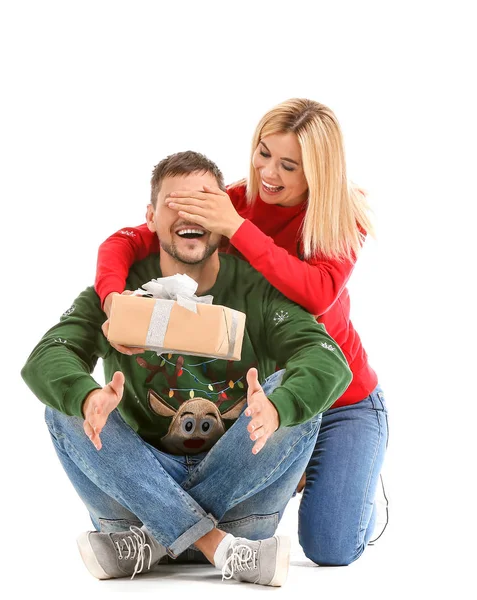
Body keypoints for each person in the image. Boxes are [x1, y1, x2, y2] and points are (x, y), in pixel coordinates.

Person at [21, 150, 352, 586]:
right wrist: (88, 396)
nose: (189, 213)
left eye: (203, 201)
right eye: (175, 203)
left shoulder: (258, 288)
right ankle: (216, 546)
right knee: (63, 406)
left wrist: (277, 408)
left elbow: (327, 360)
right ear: (150, 218)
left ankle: (159, 538)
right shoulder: (121, 293)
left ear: (224, 214)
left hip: (218, 512)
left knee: (292, 394)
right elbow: (47, 356)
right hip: (162, 509)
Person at [94, 99, 389, 566]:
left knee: (332, 547)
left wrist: (238, 228)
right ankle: (210, 531)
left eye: (288, 165)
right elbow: (127, 241)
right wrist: (113, 299)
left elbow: (315, 295)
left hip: (341, 399)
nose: (268, 172)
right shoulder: (233, 199)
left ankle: (351, 492)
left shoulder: (339, 218)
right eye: (262, 152)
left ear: (318, 172)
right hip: (262, 393)